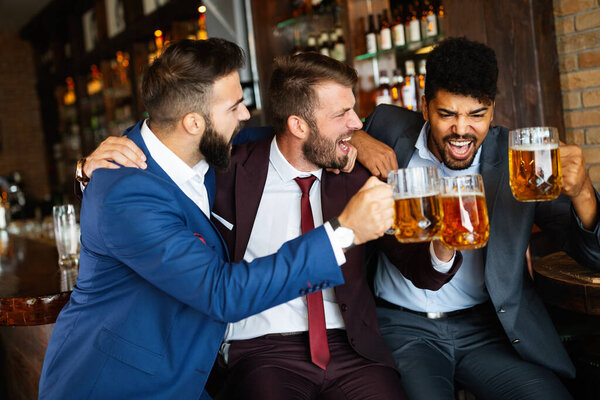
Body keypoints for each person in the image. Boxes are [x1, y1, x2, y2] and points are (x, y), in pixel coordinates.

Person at [80, 52, 465, 399]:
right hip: (256, 350)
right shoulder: (225, 167)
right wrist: (89, 170)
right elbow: (171, 140)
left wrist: (445, 244)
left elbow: (418, 264)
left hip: (350, 348)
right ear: (298, 125)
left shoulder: (355, 172)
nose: (358, 122)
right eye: (342, 114)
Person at [350, 36, 600, 400]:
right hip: (402, 326)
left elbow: (594, 257)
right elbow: (320, 127)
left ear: (493, 111)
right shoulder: (388, 127)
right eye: (447, 114)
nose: (461, 130)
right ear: (424, 107)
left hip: (487, 327)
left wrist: (582, 193)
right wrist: (356, 136)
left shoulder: (521, 159)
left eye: (476, 115)